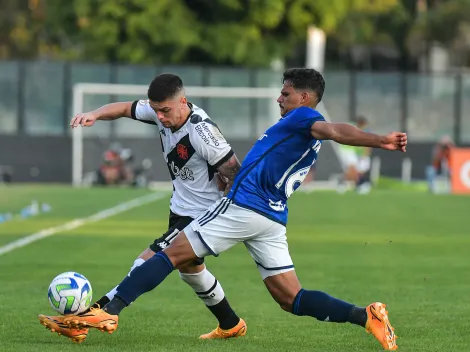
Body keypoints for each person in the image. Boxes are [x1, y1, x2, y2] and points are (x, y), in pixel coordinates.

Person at [60, 68, 406, 350]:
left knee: (170, 253)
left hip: (244, 206)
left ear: (303, 97)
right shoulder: (297, 127)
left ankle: (108, 312)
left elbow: (334, 130)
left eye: (285, 93)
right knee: (291, 298)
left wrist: (379, 140)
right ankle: (366, 316)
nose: (278, 98)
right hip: (271, 217)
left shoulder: (303, 117)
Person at [38, 74, 247, 343]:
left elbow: (235, 173)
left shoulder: (202, 132)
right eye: (156, 110)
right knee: (192, 273)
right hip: (181, 210)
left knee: (147, 260)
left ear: (182, 101)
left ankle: (96, 315)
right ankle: (231, 324)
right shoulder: (161, 110)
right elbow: (125, 108)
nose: (159, 116)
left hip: (201, 216)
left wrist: (222, 210)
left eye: (165, 110)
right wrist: (95, 114)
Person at [338, 116, 372, 193]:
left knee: (356, 170)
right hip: (346, 150)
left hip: (354, 152)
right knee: (353, 169)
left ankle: (344, 183)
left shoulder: (364, 131)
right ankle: (359, 184)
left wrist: (364, 153)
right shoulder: (352, 128)